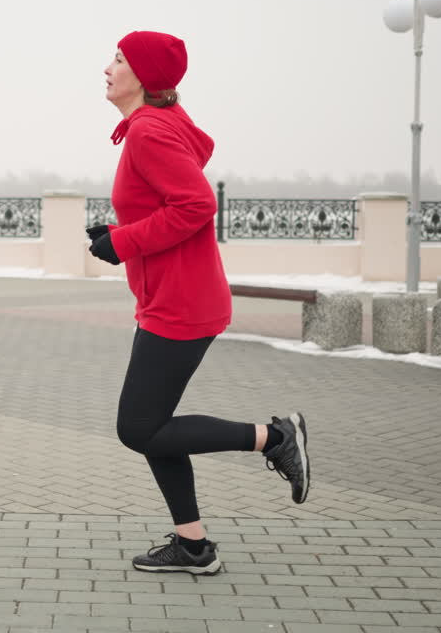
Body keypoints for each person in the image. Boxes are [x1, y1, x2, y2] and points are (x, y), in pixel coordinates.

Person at [89, 30, 311, 575]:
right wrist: (120, 231)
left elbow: (195, 205)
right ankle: (193, 547)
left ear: (142, 76)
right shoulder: (156, 127)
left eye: (118, 59)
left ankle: (274, 437)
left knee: (138, 428)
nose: (107, 68)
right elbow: (168, 205)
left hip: (181, 303)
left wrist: (122, 243)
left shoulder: (148, 131)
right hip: (172, 296)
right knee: (154, 425)